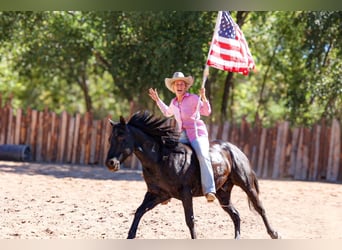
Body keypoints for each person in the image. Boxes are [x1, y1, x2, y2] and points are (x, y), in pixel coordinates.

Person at [148, 72, 216, 202]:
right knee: (168, 156)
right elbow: (167, 113)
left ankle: (209, 190)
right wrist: (157, 100)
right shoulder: (173, 102)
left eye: (182, 84)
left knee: (202, 154)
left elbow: (206, 112)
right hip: (182, 135)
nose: (179, 86)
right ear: (173, 87)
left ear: (186, 87)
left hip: (197, 133)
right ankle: (165, 192)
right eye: (177, 84)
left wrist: (204, 97)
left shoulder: (194, 98)